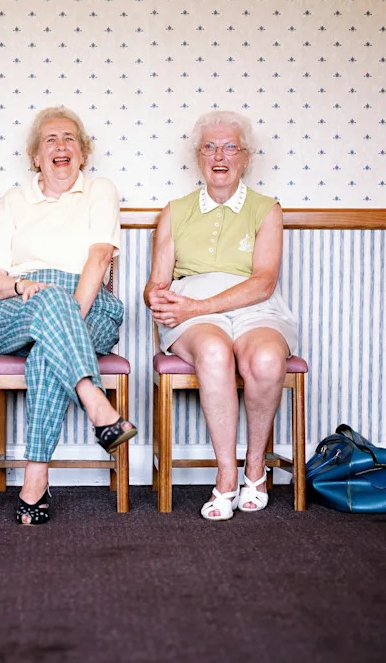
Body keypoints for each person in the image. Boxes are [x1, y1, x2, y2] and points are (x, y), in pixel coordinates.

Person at [0, 105, 137, 525]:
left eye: (70, 139)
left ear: (83, 153)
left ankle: (35, 478)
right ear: (35, 156)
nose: (61, 146)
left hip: (89, 306)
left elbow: (99, 258)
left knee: (48, 348)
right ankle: (97, 406)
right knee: (51, 307)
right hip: (18, 308)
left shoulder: (100, 190)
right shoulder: (14, 200)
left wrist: (65, 317)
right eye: (50, 140)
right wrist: (21, 287)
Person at [144, 111, 298, 521]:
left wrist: (200, 306)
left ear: (246, 157)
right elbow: (157, 280)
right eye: (210, 147)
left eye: (230, 147)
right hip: (191, 311)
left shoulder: (267, 209)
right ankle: (226, 477)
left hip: (254, 307)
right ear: (198, 156)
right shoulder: (175, 211)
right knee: (213, 353)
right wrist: (155, 297)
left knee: (266, 359)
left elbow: (263, 282)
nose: (219, 156)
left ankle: (255, 469)